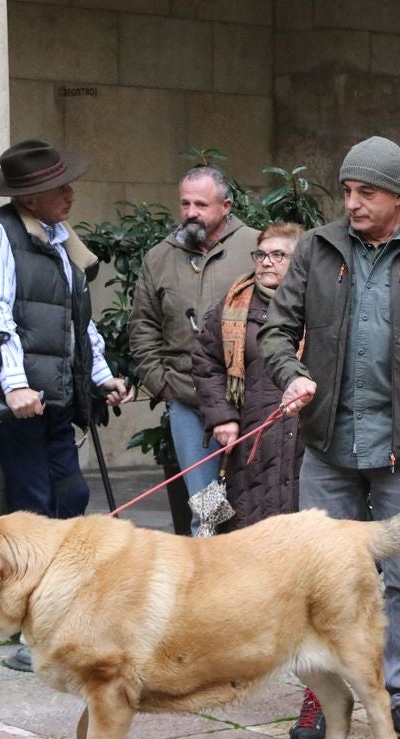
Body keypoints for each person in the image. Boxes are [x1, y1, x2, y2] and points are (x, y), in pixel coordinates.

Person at [258, 135, 400, 739]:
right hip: (328, 445)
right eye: (348, 191)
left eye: (367, 193)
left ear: (398, 195)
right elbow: (276, 329)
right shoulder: (318, 247)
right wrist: (292, 374)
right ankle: (322, 692)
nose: (352, 204)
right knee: (317, 579)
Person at [0, 139, 133, 670]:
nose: (70, 194)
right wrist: (14, 385)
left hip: (58, 393)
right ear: (32, 196)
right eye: (59, 188)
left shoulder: (60, 239)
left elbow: (77, 321)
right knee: (32, 503)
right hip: (22, 399)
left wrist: (103, 377)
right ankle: (26, 627)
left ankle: (61, 611)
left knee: (71, 495)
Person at [130, 167, 259, 531]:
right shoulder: (159, 257)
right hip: (187, 403)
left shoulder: (254, 249)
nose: (190, 212)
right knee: (207, 508)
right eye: (185, 203)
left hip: (249, 402)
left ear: (226, 205)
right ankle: (207, 578)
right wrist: (163, 386)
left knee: (254, 503)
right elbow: (142, 327)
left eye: (201, 204)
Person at [192, 222, 306, 531]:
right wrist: (222, 417)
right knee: (250, 529)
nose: (266, 261)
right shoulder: (234, 304)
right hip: (250, 439)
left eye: (278, 254)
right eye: (261, 254)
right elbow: (206, 360)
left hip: (304, 439)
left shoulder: (319, 304)